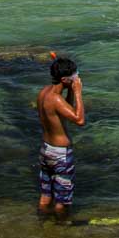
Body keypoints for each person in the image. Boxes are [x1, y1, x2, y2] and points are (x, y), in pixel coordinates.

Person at [36, 54, 85, 218]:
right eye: (74, 77)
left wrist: (71, 91)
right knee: (62, 201)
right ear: (65, 79)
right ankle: (62, 230)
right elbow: (79, 119)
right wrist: (78, 92)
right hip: (60, 154)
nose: (77, 79)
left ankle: (42, 223)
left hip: (46, 150)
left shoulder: (44, 93)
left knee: (45, 195)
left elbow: (65, 112)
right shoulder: (55, 100)